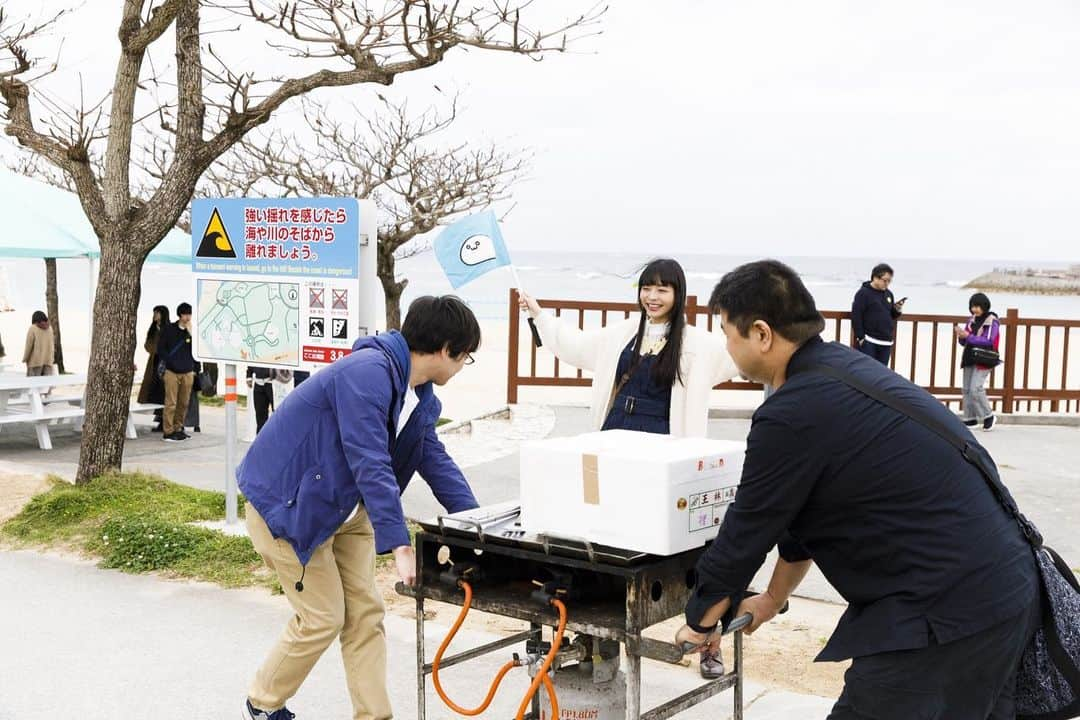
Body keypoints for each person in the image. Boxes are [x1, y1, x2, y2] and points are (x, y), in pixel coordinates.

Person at [675, 260, 1040, 719]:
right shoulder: (845, 370)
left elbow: (748, 527)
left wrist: (701, 617)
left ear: (762, 334)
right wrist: (771, 599)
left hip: (944, 608)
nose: (728, 346)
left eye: (729, 333)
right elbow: (796, 521)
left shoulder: (792, 411)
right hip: (1006, 585)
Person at [238, 295, 482, 720]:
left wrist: (478, 525)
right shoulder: (366, 374)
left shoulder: (421, 398)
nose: (463, 366)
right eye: (465, 357)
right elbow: (369, 459)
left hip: (346, 512)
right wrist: (400, 545)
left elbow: (435, 460)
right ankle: (261, 703)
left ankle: (374, 716)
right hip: (292, 508)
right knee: (323, 617)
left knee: (366, 615)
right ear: (446, 349)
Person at [519, 258, 738, 679]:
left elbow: (741, 353)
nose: (652, 297)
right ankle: (596, 636)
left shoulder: (699, 345)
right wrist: (540, 315)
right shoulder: (621, 334)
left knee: (691, 547)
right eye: (647, 288)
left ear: (679, 294)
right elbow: (575, 345)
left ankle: (710, 640)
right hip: (612, 446)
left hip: (665, 455)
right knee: (605, 537)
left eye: (663, 289)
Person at [956, 292, 1000, 432]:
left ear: (984, 306)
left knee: (976, 388)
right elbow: (965, 341)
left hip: (984, 358)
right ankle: (970, 418)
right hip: (970, 356)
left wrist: (968, 336)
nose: (975, 309)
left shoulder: (992, 320)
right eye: (972, 307)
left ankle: (988, 416)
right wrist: (961, 336)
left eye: (977, 306)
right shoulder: (972, 320)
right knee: (967, 389)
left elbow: (989, 341)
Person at [851, 263, 905, 365]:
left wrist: (897, 309)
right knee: (866, 373)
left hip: (886, 342)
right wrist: (861, 337)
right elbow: (856, 315)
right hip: (869, 341)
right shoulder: (863, 293)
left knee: (881, 376)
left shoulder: (889, 294)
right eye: (885, 280)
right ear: (875, 277)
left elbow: (891, 315)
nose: (887, 283)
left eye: (889, 281)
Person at [156, 302, 195, 442]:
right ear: (180, 315)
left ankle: (178, 428)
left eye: (189, 314)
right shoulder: (169, 329)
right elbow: (161, 348)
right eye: (185, 314)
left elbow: (197, 351)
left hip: (188, 371)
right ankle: (168, 431)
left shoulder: (192, 331)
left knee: (184, 402)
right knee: (171, 402)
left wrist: (191, 333)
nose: (187, 317)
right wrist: (170, 362)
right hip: (171, 371)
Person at [137, 305, 169, 432]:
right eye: (154, 313)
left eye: (157, 313)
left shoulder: (168, 329)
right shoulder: (153, 329)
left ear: (163, 314)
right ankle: (159, 420)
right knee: (155, 392)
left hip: (166, 364)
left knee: (164, 393)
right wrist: (157, 350)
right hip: (154, 363)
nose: (155, 315)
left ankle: (163, 422)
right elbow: (147, 345)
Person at [246, 366, 292, 433]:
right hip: (258, 383)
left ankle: (279, 439)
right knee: (260, 415)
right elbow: (251, 359)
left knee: (278, 414)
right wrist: (249, 375)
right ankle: (261, 441)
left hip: (274, 382)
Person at [22, 310, 55, 376]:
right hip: (48, 362)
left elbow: (28, 346)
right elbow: (52, 346)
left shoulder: (32, 328)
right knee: (46, 385)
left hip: (34, 363)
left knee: (33, 385)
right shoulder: (50, 328)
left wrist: (25, 359)